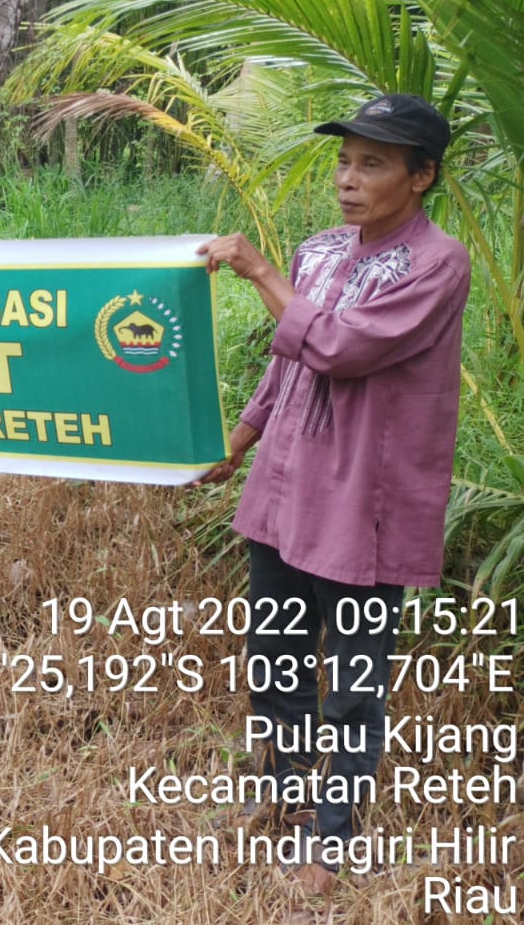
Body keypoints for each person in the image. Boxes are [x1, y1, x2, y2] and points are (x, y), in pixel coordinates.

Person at [197, 95, 467, 897]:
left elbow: (341, 349)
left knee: (351, 682)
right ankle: (279, 795)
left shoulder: (436, 264)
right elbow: (287, 366)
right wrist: (237, 444)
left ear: (421, 176)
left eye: (373, 164)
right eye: (345, 161)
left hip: (361, 502)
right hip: (285, 490)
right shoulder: (319, 251)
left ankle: (329, 842)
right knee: (276, 657)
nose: (349, 179)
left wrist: (257, 270)